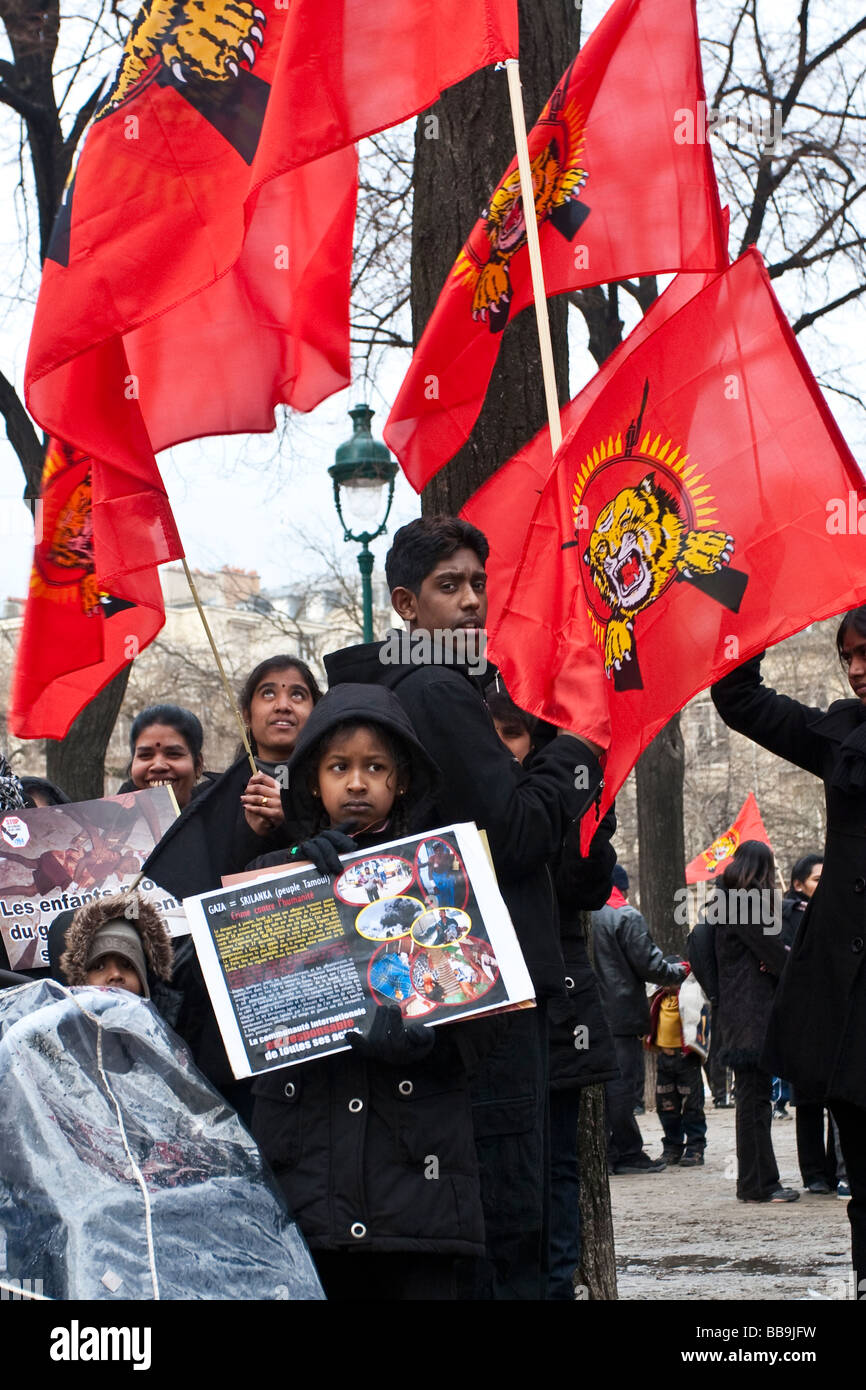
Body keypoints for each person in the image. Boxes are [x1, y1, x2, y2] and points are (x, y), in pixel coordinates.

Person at [323, 515, 604, 1299]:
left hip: (439, 988)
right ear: (407, 605)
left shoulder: (400, 686)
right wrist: (576, 749)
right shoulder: (440, 690)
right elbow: (510, 835)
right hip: (490, 993)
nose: (473, 602)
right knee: (509, 1211)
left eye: (480, 583)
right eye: (451, 587)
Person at [248, 683, 485, 1300]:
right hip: (308, 1184)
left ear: (400, 780)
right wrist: (296, 867)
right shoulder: (269, 878)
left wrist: (430, 1040)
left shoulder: (448, 877)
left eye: (374, 767)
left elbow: (491, 1017)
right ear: (312, 782)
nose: (357, 783)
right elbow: (237, 1010)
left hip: (416, 1187)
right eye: (338, 767)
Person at [713, 627, 866, 1275]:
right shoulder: (839, 737)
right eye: (848, 656)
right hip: (847, 990)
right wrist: (751, 606)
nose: (857, 669)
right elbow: (738, 697)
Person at [701, 840, 797, 1203]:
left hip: (739, 1012)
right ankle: (760, 1184)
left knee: (752, 1100)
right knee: (755, 1102)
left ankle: (757, 1182)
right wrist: (790, 961)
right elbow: (773, 952)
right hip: (751, 1014)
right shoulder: (746, 904)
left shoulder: (726, 902)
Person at [591, 865, 686, 1174]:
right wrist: (678, 971)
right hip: (620, 1014)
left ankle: (607, 1151)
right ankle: (626, 1152)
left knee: (603, 1087)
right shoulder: (624, 915)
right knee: (622, 1087)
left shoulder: (583, 914)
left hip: (590, 1014)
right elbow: (649, 964)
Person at [58, 890, 174, 1008]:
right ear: (77, 981)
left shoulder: (172, 1023)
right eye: (99, 967)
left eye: (128, 965)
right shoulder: (52, 1024)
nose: (116, 974)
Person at [647, 963, 710, 1167]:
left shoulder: (691, 998)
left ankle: (695, 1147)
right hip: (664, 1060)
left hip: (686, 1059)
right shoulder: (658, 998)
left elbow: (701, 1020)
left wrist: (698, 1051)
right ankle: (673, 1145)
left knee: (692, 1105)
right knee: (666, 1106)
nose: (665, 985)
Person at [124, 705, 207, 810]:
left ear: (198, 765)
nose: (158, 766)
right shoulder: (107, 823)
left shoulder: (226, 820)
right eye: (145, 755)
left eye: (173, 754)